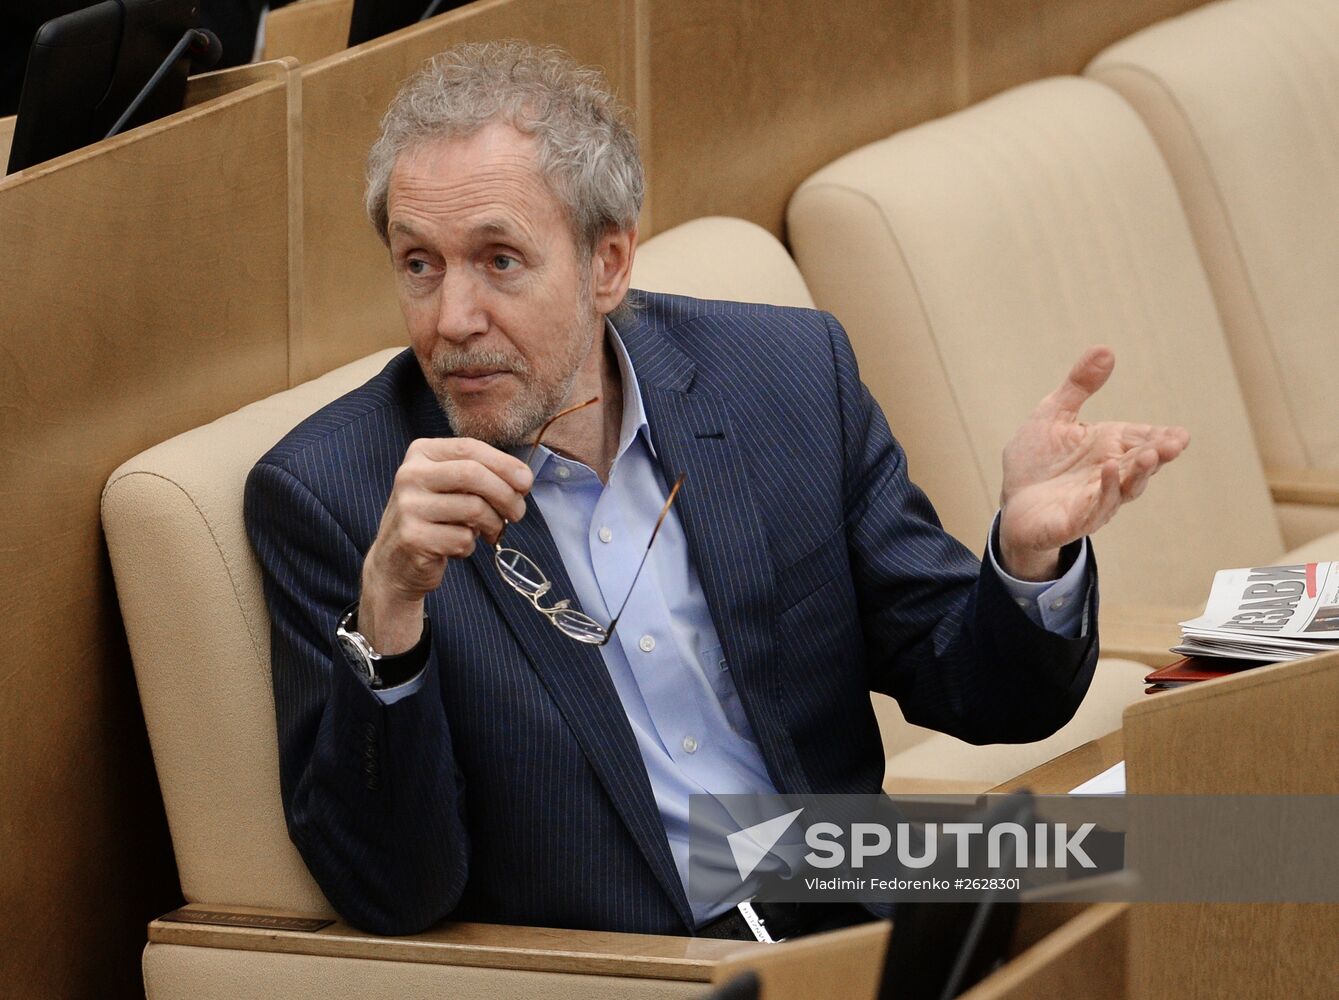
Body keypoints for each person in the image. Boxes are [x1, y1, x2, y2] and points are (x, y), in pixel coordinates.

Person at [244, 41, 1189, 939]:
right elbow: (391, 890)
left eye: (499, 260)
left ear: (608, 264)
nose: (453, 318)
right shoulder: (334, 496)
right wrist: (390, 616)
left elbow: (988, 696)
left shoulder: (781, 375)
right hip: (640, 958)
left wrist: (1027, 558)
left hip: (847, 872)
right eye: (420, 264)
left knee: (1263, 850)